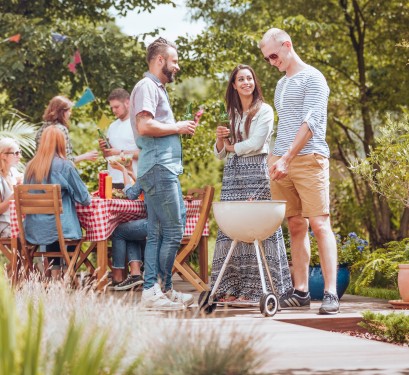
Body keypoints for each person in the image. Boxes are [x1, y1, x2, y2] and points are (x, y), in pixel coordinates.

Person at [259, 28, 339, 314]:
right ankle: (301, 291)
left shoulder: (314, 78)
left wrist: (288, 158)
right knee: (295, 225)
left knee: (319, 223)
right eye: (267, 59)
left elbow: (311, 122)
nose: (271, 62)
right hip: (282, 160)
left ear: (287, 45)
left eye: (273, 55)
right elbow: (285, 124)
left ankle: (330, 293)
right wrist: (275, 158)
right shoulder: (281, 85)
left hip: (308, 159)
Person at [211, 64, 293, 304]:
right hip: (233, 174)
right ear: (234, 85)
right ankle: (231, 287)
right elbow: (219, 154)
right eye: (241, 79)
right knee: (232, 227)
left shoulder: (264, 110)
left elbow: (257, 143)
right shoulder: (231, 112)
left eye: (249, 78)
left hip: (256, 171)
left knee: (259, 228)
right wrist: (219, 140)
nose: (246, 82)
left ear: (254, 82)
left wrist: (231, 147)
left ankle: (262, 289)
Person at [129, 37, 197, 310]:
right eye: (174, 61)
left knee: (157, 233)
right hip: (159, 168)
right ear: (160, 61)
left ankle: (159, 290)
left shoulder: (155, 87)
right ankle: (155, 288)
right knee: (173, 228)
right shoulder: (147, 86)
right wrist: (178, 127)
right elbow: (144, 126)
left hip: (158, 167)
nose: (177, 67)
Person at [24, 126, 92, 279]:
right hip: (62, 229)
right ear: (62, 143)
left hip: (34, 229)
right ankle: (67, 275)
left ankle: (55, 275)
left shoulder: (30, 167)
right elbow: (85, 199)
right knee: (59, 226)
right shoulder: (65, 166)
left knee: (52, 225)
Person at [109, 159, 147, 291]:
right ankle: (135, 275)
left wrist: (124, 171)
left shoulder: (149, 170)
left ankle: (117, 275)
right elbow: (144, 186)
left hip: (155, 224)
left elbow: (131, 195)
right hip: (168, 223)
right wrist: (131, 174)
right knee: (129, 229)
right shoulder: (161, 169)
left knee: (119, 231)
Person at [36, 95, 98, 164]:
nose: (70, 114)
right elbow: (67, 161)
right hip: (57, 173)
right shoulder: (61, 130)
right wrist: (85, 156)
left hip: (41, 172)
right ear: (62, 112)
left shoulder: (42, 128)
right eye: (69, 111)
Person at [98, 89, 139, 189]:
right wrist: (105, 150)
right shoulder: (112, 126)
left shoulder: (137, 124)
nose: (114, 111)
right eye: (112, 108)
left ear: (127, 103)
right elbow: (107, 157)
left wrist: (119, 152)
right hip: (113, 181)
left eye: (116, 107)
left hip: (132, 180)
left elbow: (144, 154)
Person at [0, 138, 23, 238]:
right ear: (3, 155)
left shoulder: (13, 172)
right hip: (5, 226)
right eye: (16, 153)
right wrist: (16, 193)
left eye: (20, 152)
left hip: (17, 222)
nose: (20, 156)